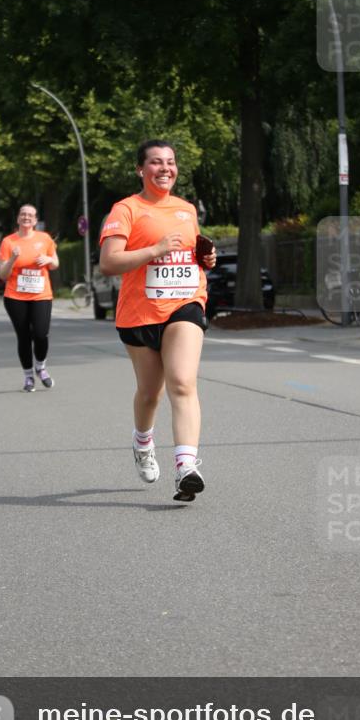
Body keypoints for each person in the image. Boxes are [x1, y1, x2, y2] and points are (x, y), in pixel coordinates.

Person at [99, 140, 217, 503]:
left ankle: (186, 467)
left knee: (182, 382)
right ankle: (143, 441)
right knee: (151, 393)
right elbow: (109, 262)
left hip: (185, 304)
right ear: (141, 169)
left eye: (170, 162)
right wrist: (155, 250)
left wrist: (205, 258)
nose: (165, 168)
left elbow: (190, 254)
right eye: (155, 162)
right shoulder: (126, 210)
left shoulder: (186, 209)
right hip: (140, 312)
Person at [0, 204, 59, 391]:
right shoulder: (8, 242)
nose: (26, 218)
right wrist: (12, 260)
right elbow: (2, 274)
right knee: (23, 337)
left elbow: (55, 263)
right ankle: (28, 377)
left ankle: (40, 367)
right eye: (23, 214)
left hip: (41, 295)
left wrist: (49, 260)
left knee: (41, 334)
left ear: (35, 220)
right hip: (16, 297)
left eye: (30, 215)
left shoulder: (45, 238)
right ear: (18, 218)